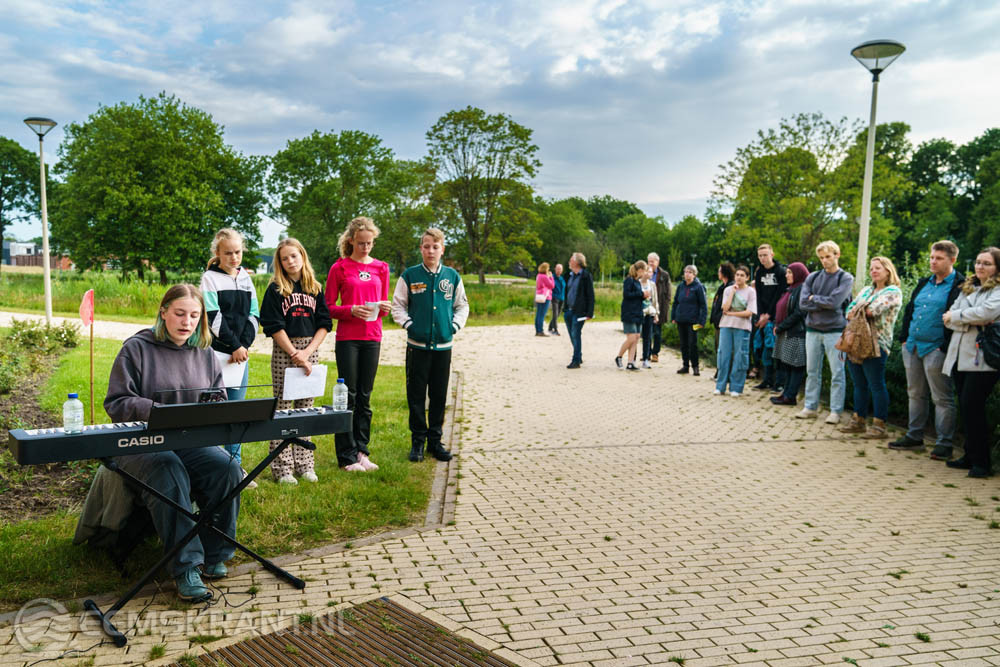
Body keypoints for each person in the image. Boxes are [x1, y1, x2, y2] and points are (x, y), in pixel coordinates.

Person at [104, 284, 242, 602]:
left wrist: (214, 407)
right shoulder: (136, 348)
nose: (187, 322)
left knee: (227, 469)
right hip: (141, 443)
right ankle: (186, 567)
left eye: (194, 316)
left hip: (189, 440)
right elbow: (117, 401)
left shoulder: (205, 353)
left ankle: (214, 553)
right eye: (180, 314)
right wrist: (157, 411)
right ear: (163, 312)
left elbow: (218, 397)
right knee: (168, 469)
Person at [391, 228, 469, 462]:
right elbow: (398, 306)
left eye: (435, 247)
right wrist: (410, 325)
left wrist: (453, 326)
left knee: (438, 395)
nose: (431, 251)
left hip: (443, 348)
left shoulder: (452, 276)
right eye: (426, 246)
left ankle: (435, 441)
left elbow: (462, 305)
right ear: (421, 249)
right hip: (417, 347)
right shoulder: (410, 276)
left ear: (442, 249)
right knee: (416, 396)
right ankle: (418, 442)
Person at [260, 238, 333, 484]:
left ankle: (304, 465)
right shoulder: (275, 289)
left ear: (302, 256)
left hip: (310, 350)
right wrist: (294, 353)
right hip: (285, 350)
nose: (290, 261)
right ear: (279, 263)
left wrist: (307, 352)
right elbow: (273, 325)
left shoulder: (315, 288)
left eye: (294, 256)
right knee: (283, 409)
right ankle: (283, 469)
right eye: (285, 258)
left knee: (306, 408)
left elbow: (324, 323)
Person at [325, 217, 391, 472]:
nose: (366, 248)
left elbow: (382, 306)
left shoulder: (382, 268)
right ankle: (346, 456)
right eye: (361, 243)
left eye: (370, 243)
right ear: (351, 241)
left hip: (372, 337)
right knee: (348, 396)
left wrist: (384, 307)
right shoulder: (339, 268)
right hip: (348, 339)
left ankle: (362, 451)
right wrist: (350, 310)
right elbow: (328, 307)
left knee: (365, 397)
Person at [890, 241, 964, 458]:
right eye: (932, 257)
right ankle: (914, 437)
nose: (933, 261)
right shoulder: (924, 282)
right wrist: (905, 339)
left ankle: (944, 444)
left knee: (941, 398)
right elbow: (910, 310)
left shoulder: (960, 286)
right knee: (915, 394)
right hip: (913, 346)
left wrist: (943, 347)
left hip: (936, 349)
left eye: (939, 258)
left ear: (952, 260)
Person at [200, 228, 259, 485]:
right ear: (217, 253)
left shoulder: (245, 278)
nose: (234, 257)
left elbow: (254, 315)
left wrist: (243, 346)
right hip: (217, 355)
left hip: (239, 358)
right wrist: (233, 345)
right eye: (228, 253)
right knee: (214, 413)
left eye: (237, 252)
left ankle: (236, 468)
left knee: (236, 413)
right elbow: (213, 316)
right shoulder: (209, 279)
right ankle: (213, 467)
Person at [942, 246, 1000, 478]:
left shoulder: (997, 291)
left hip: (983, 359)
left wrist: (958, 318)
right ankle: (969, 455)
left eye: (987, 263)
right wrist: (965, 319)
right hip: (960, 356)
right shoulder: (968, 288)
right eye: (978, 262)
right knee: (965, 408)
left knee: (972, 406)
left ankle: (982, 463)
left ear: (997, 267)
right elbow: (948, 317)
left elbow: (985, 314)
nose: (980, 266)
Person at [839, 257, 903, 439]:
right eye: (872, 268)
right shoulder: (867, 290)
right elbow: (849, 311)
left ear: (888, 271)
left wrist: (859, 309)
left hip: (877, 343)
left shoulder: (893, 292)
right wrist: (859, 309)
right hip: (855, 341)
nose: (873, 271)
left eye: (878, 268)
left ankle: (879, 425)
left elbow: (872, 311)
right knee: (859, 384)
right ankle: (858, 421)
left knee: (876, 384)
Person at [797, 241, 853, 423]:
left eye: (828, 256)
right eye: (821, 258)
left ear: (837, 255)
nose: (824, 261)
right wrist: (823, 301)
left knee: (837, 373)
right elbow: (803, 303)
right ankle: (810, 407)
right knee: (812, 371)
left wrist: (815, 298)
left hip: (835, 332)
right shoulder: (812, 277)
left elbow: (835, 303)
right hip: (812, 330)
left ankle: (835, 411)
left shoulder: (845, 278)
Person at [770, 263, 810, 406]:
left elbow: (799, 312)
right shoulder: (791, 289)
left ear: (798, 274)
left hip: (796, 332)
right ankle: (786, 394)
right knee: (787, 364)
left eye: (790, 272)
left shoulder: (802, 289)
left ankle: (790, 396)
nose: (786, 275)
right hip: (786, 331)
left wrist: (781, 326)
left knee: (796, 365)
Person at [714, 265, 757, 396]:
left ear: (747, 278)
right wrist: (732, 292)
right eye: (737, 275)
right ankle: (720, 386)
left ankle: (736, 387)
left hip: (743, 327)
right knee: (723, 355)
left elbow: (749, 312)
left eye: (742, 275)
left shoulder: (751, 292)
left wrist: (732, 314)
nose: (739, 277)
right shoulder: (728, 290)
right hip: (726, 326)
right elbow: (725, 308)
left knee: (740, 356)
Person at [752, 244, 786, 389]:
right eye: (760, 256)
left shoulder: (780, 271)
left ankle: (780, 382)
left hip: (776, 316)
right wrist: (761, 315)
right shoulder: (759, 272)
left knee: (776, 350)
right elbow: (758, 295)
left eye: (765, 255)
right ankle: (767, 380)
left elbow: (779, 295)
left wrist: (769, 315)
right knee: (764, 349)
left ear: (772, 254)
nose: (763, 258)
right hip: (763, 317)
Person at [670, 265, 708, 376]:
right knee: (683, 344)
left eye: (690, 272)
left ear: (694, 274)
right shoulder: (681, 286)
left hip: (693, 321)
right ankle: (685, 365)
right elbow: (676, 302)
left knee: (692, 344)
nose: (687, 274)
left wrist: (702, 321)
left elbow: (703, 305)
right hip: (681, 319)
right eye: (686, 272)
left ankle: (695, 367)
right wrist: (673, 316)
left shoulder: (698, 287)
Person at [563, 252, 595, 369]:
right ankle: (578, 355)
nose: (569, 261)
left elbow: (590, 295)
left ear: (577, 262)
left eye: (571, 259)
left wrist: (590, 312)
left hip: (579, 311)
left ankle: (576, 360)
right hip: (568, 310)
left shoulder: (586, 276)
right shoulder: (569, 276)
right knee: (572, 334)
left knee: (575, 334)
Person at [616, 260, 646, 371]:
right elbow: (627, 294)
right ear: (640, 270)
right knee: (631, 337)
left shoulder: (638, 282)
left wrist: (644, 296)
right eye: (644, 270)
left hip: (638, 312)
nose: (645, 273)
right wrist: (641, 294)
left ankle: (630, 362)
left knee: (636, 338)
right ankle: (619, 356)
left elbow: (637, 296)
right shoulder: (629, 280)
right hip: (629, 312)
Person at [710, 262, 736, 380]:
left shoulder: (731, 287)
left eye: (719, 271)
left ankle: (726, 374)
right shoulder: (722, 287)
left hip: (725, 322)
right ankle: (720, 371)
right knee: (719, 349)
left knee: (726, 349)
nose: (718, 273)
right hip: (718, 323)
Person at [647, 252, 671, 362]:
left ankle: (655, 353)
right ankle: (646, 353)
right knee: (647, 332)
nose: (650, 263)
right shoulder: (645, 272)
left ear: (658, 262)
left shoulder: (664, 275)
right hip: (647, 306)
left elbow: (668, 292)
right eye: (649, 261)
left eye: (652, 261)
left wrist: (666, 306)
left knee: (657, 332)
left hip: (659, 306)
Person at [639, 262, 660, 369]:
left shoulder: (652, 285)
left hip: (649, 312)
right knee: (636, 336)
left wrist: (656, 313)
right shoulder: (637, 283)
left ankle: (646, 358)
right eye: (648, 271)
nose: (650, 273)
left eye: (651, 272)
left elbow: (655, 300)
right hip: (639, 313)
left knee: (648, 337)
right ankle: (632, 358)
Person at [534, 262, 555, 336]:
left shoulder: (538, 276)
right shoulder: (544, 277)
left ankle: (537, 330)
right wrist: (551, 277)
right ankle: (540, 331)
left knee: (538, 313)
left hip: (539, 295)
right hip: (545, 296)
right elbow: (552, 285)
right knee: (542, 314)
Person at [548, 263, 566, 335]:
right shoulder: (552, 277)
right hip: (554, 298)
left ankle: (550, 327)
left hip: (562, 298)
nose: (559, 270)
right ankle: (555, 330)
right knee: (555, 314)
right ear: (555, 269)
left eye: (560, 269)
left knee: (558, 314)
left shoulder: (562, 278)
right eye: (558, 269)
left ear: (562, 270)